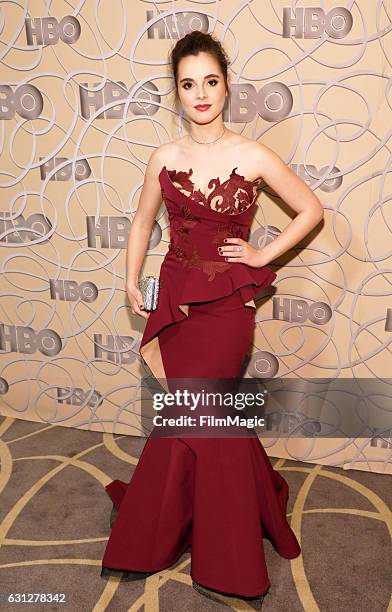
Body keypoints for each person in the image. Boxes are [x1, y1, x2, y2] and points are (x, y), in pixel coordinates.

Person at [101, 31, 324, 607]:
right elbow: (143, 222)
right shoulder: (164, 158)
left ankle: (223, 561)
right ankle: (219, 513)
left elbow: (311, 209)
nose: (201, 93)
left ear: (226, 85)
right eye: (187, 84)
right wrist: (131, 279)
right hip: (175, 301)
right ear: (176, 93)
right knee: (198, 415)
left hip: (226, 308)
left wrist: (261, 256)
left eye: (210, 81)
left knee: (200, 412)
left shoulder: (250, 155)